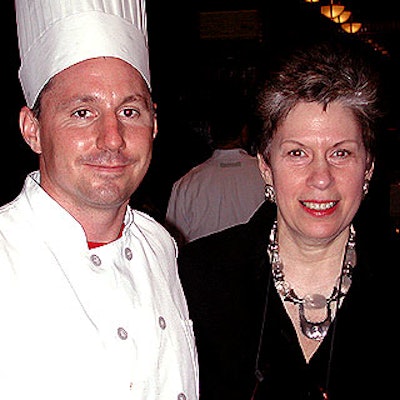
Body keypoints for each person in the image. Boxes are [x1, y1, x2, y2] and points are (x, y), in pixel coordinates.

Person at [178, 39, 397, 400]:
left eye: (341, 153)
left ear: (368, 167)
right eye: (298, 153)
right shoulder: (198, 278)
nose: (321, 177)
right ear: (266, 166)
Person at [0, 1, 199, 399]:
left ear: (154, 124)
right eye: (82, 112)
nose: (113, 139)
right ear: (32, 129)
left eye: (129, 111)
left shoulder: (160, 245)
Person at [165, 88, 265, 246]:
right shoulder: (266, 174)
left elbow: (173, 243)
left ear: (210, 132)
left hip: (201, 268)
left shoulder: (187, 184)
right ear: (244, 131)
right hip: (258, 267)